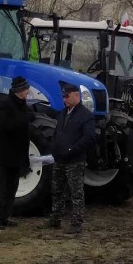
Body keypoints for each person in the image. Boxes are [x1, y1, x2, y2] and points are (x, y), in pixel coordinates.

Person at [49, 82, 95, 235]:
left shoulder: (86, 116)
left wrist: (72, 150)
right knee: (57, 190)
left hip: (75, 161)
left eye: (67, 96)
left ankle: (76, 223)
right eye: (63, 97)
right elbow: (57, 132)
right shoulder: (63, 113)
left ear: (76, 95)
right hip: (60, 159)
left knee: (76, 193)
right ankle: (55, 219)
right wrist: (54, 148)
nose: (64, 100)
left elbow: (89, 137)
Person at [0, 76, 32, 229]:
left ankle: (5, 216)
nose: (28, 91)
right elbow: (4, 126)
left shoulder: (22, 104)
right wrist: (24, 119)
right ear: (19, 90)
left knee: (12, 187)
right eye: (26, 89)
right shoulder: (5, 104)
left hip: (18, 154)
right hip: (4, 155)